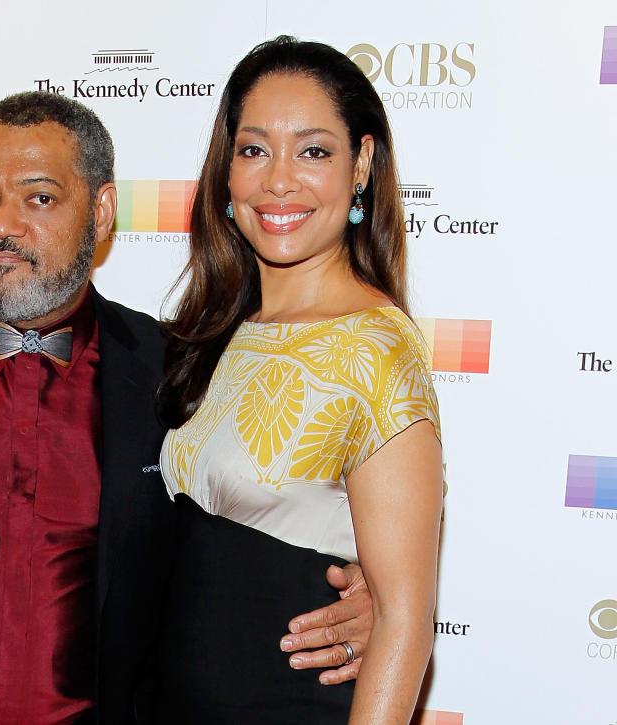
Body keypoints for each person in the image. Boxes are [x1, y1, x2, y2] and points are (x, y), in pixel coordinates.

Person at [0, 90, 375, 725]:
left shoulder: (179, 369)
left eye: (39, 197)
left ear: (102, 210)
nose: (0, 223)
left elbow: (247, 540)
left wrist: (364, 595)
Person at [155, 37, 443, 724]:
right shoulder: (207, 333)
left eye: (313, 150)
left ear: (362, 163)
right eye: (254, 150)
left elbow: (404, 619)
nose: (279, 181)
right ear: (228, 170)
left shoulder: (377, 347)